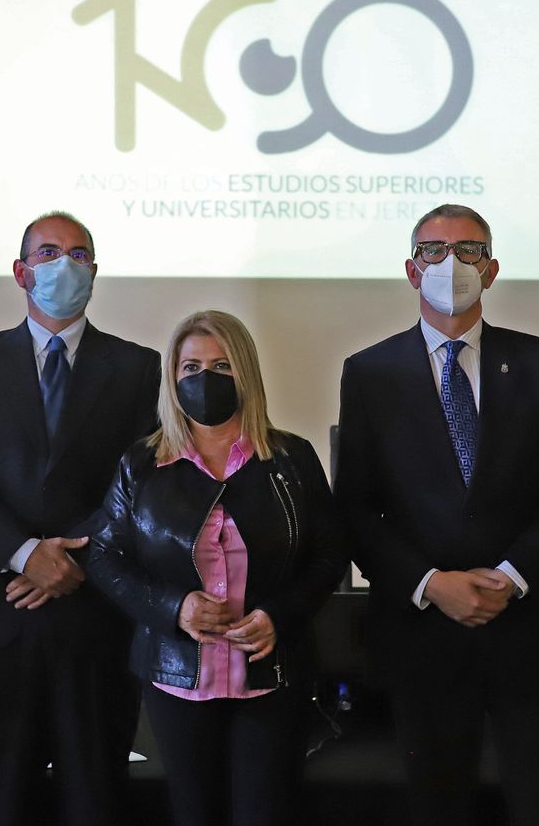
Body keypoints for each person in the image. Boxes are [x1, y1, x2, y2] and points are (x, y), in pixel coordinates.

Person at [334, 203, 539, 826]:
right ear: (410, 269)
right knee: (436, 805)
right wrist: (432, 586)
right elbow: (355, 508)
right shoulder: (369, 373)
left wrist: (510, 576)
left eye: (469, 250)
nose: (450, 263)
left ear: (493, 269)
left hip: (532, 632)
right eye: (433, 250)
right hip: (422, 637)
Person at [0, 211, 162, 826]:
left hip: (97, 610)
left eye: (80, 253)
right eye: (49, 251)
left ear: (95, 271)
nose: (66, 263)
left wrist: (72, 559)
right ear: (20, 271)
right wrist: (24, 553)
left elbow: (135, 481)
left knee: (97, 794)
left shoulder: (136, 366)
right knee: (1, 795)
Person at [85, 310, 349, 826]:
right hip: (176, 678)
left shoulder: (291, 459)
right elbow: (103, 555)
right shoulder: (140, 464)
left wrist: (280, 614)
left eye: (223, 365)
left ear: (246, 372)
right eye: (191, 367)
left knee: (264, 812)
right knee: (194, 812)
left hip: (273, 677)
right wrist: (173, 608)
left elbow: (330, 552)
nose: (206, 379)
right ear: (172, 378)